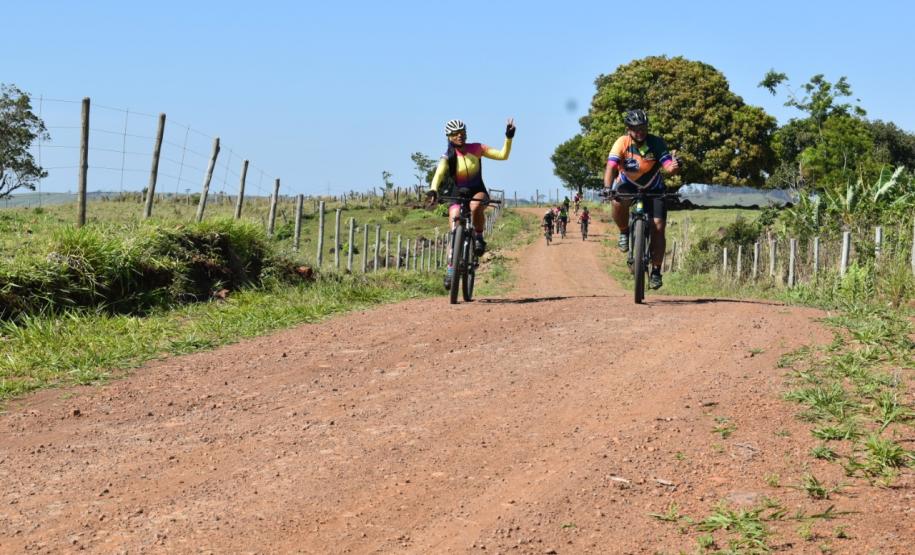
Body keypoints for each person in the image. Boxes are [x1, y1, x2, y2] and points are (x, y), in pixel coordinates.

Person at [427, 118, 516, 289]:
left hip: (477, 190)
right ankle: (450, 270)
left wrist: (508, 137)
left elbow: (503, 155)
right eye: (455, 134)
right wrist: (433, 189)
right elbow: (438, 174)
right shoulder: (448, 156)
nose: (460, 136)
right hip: (457, 193)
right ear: (449, 136)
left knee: (476, 207)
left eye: (462, 132)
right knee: (454, 226)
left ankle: (479, 238)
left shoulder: (477, 148)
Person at [603, 109, 680, 289]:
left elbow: (668, 166)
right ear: (628, 129)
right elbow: (610, 167)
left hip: (654, 187)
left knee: (658, 227)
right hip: (627, 184)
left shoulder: (656, 142)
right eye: (636, 129)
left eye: (643, 128)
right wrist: (607, 188)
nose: (640, 132)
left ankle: (656, 271)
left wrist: (674, 167)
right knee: (616, 200)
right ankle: (624, 231)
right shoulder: (622, 142)